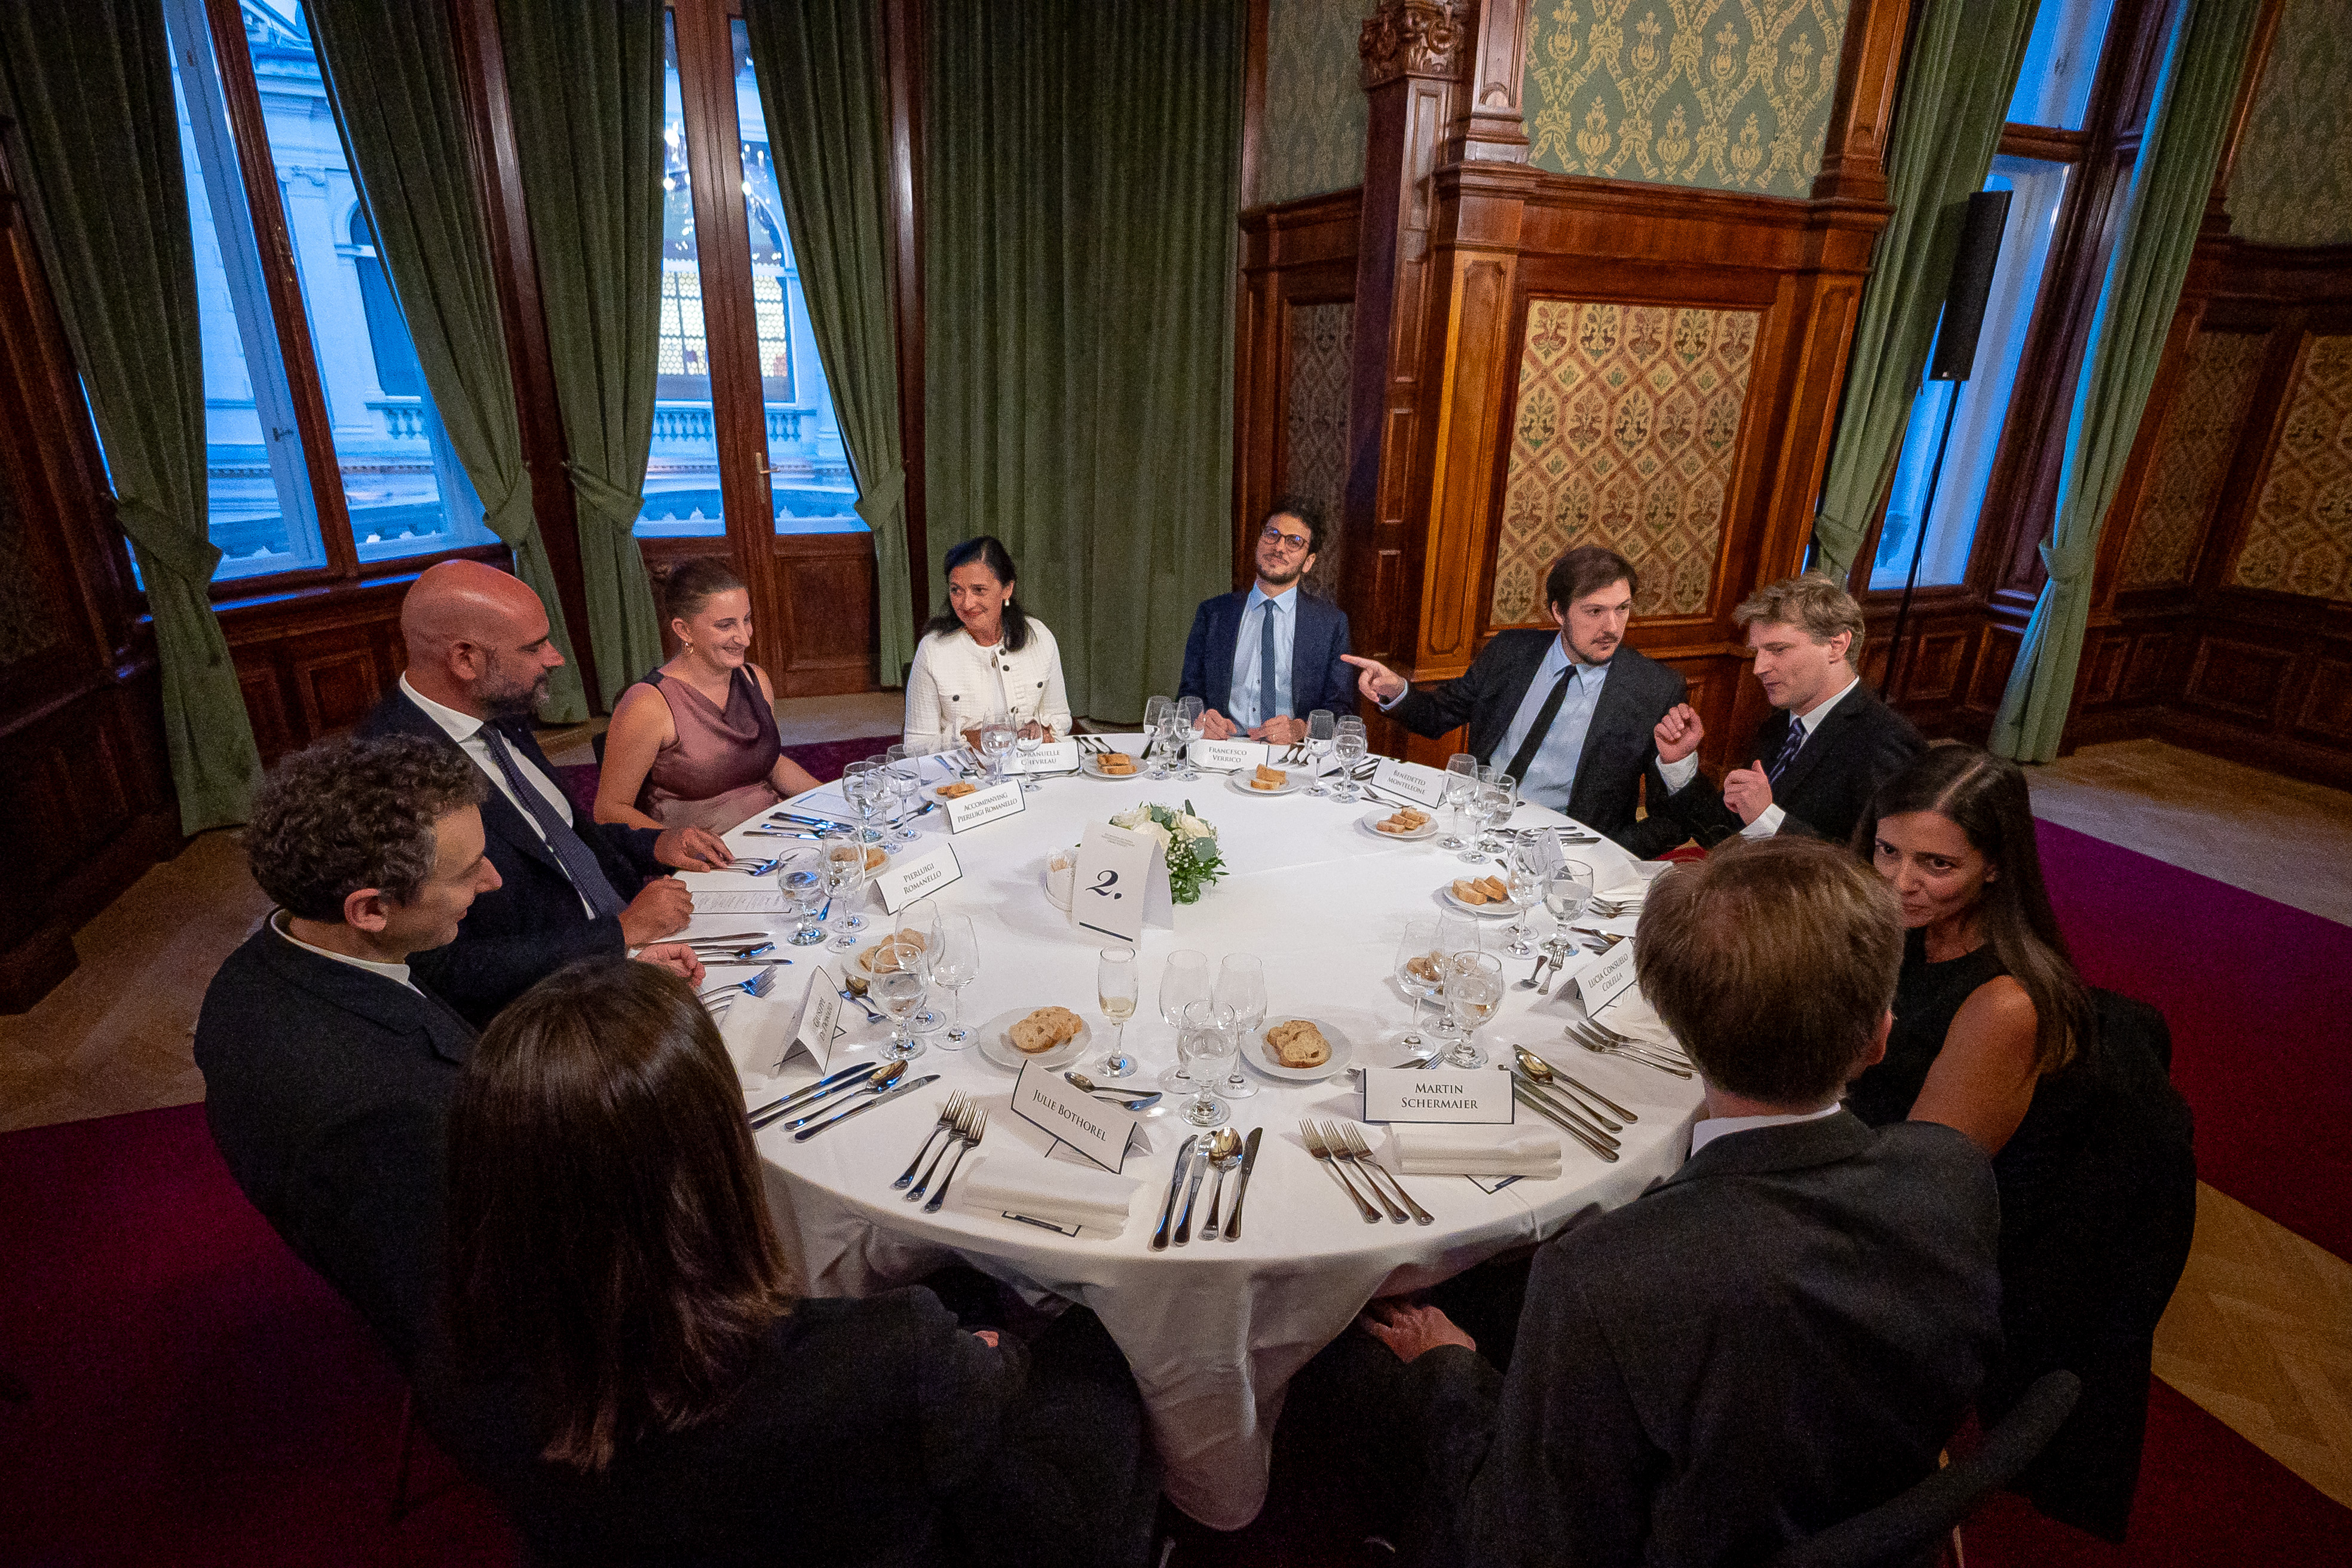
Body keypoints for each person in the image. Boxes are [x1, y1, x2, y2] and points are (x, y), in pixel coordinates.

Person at [1343, 837, 2002, 1566]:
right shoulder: (1955, 1173)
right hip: (1866, 1508)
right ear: (1879, 1037)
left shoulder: (1603, 1274)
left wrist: (1449, 1368)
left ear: (1676, 1032)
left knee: (1362, 1366)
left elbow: (1522, 1542)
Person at [430, 958, 1162, 1567]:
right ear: (712, 1155)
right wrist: (994, 1352)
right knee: (1103, 1330)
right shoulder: (883, 1355)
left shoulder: (451, 1371)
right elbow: (1020, 1479)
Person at [1848, 745, 2195, 1538]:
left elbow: (1916, 1196)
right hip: (1873, 1180)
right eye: (1888, 851)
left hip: (1921, 1254)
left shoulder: (2005, 1002)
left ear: (1997, 867)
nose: (1899, 881)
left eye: (1937, 864)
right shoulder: (1906, 932)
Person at [193, 736, 498, 1369]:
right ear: (371, 909)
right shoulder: (386, 1114)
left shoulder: (258, 964)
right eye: (467, 872)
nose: (492, 880)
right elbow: (466, 1296)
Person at [359, 559, 718, 1025]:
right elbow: (440, 968)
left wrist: (656, 844)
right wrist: (617, 935)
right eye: (534, 647)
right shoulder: (384, 773)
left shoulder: (495, 711)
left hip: (636, 939)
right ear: (465, 660)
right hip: (556, 1006)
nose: (555, 658)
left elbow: (561, 834)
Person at [1342, 546, 1690, 857]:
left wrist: (1605, 856)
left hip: (1563, 852)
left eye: (1622, 609)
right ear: (1559, 612)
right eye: (1595, 611)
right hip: (1476, 826)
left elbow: (1672, 820)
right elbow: (1438, 715)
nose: (1612, 628)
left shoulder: (1654, 689)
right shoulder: (1510, 652)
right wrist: (1396, 690)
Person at [1652, 572, 1922, 847]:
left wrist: (1767, 820)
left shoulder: (1885, 741)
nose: (1759, 668)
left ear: (1837, 646)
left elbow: (1872, 863)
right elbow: (1723, 833)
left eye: (1778, 650)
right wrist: (1679, 763)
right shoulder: (1777, 726)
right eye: (1758, 652)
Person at [593, 558, 820, 834]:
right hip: (704, 853)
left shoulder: (756, 679)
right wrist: (678, 842)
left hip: (773, 832)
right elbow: (610, 810)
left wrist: (832, 798)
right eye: (725, 626)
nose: (745, 638)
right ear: (684, 630)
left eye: (746, 620)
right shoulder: (648, 703)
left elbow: (771, 764)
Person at [1179, 498, 1353, 743]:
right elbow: (1188, 696)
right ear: (1259, 542)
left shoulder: (1330, 624)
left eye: (1295, 541)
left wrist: (1301, 729)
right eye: (1272, 535)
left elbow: (1341, 709)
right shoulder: (1214, 613)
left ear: (1309, 561)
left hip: (1294, 750)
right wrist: (1200, 721)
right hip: (1223, 747)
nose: (1279, 547)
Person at [904, 535, 1072, 750]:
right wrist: (966, 739)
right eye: (956, 590)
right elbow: (915, 746)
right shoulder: (933, 650)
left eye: (979, 590)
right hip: (963, 769)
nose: (967, 603)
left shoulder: (1039, 636)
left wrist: (1043, 729)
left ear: (1007, 589)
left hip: (1028, 764)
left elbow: (1060, 716)